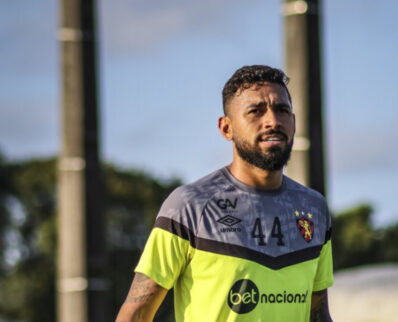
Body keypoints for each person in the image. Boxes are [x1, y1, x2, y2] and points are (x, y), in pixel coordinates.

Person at [116, 65, 334, 321]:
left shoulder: (313, 209)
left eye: (282, 110)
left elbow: (318, 315)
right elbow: (135, 314)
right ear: (226, 128)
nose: (273, 121)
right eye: (256, 111)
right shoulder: (189, 206)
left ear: (294, 123)